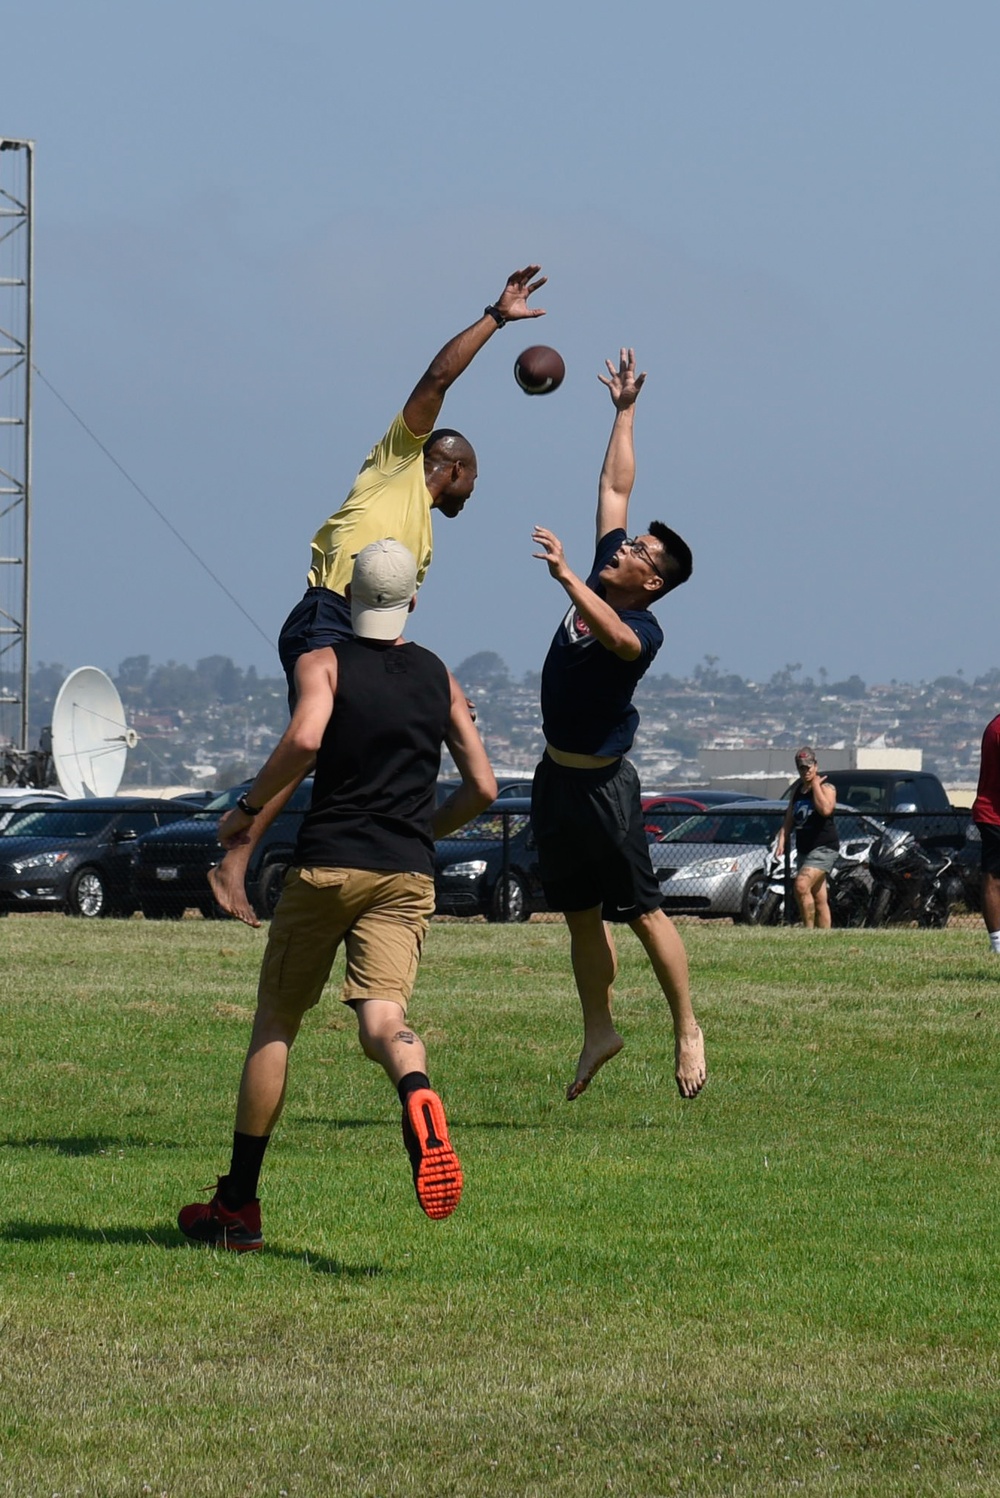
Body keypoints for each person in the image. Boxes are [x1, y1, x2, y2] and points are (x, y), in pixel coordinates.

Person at [178, 540, 497, 1251]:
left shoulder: (322, 662)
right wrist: (425, 830)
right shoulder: (439, 677)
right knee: (385, 1021)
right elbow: (484, 787)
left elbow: (305, 737)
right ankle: (417, 1092)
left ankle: (237, 1208)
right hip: (405, 873)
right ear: (413, 599)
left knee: (276, 1025)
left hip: (328, 865)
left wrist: (246, 809)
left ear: (349, 599)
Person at [209, 264, 546, 926]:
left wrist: (430, 686)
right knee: (314, 738)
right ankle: (237, 854)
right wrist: (497, 319)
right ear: (452, 468)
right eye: (474, 479)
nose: (475, 492)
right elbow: (437, 379)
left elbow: (389, 618)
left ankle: (311, 868)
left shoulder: (420, 543)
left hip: (358, 628)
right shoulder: (394, 464)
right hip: (325, 612)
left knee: (337, 748)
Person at [529, 348, 706, 1103]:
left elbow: (616, 639)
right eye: (629, 543)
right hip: (554, 778)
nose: (625, 547)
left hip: (605, 790)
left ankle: (687, 1027)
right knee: (578, 916)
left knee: (641, 912)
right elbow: (614, 485)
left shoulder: (641, 630)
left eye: (638, 552)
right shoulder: (607, 567)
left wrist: (570, 576)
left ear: (653, 583)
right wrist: (624, 410)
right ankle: (599, 1027)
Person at [775, 747, 839, 928]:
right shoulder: (797, 792)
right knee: (819, 898)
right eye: (802, 768)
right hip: (805, 849)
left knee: (801, 885)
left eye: (809, 766)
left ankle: (808, 931)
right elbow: (789, 819)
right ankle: (824, 938)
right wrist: (782, 838)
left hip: (824, 847)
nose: (807, 771)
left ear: (816, 766)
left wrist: (816, 786)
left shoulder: (827, 787)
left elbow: (826, 810)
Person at [971, 712, 1000, 954]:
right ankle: (998, 944)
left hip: (991, 812)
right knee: (993, 878)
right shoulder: (999, 728)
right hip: (995, 815)